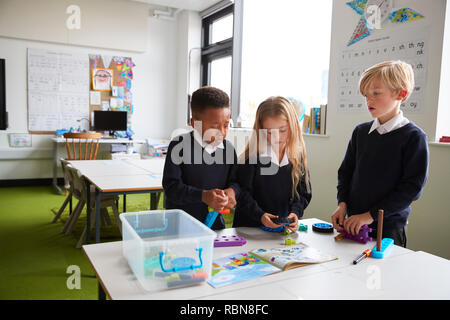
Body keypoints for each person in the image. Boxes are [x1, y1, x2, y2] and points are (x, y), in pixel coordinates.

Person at [331, 60, 429, 247]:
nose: (369, 100)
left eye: (376, 93)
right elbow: (345, 172)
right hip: (354, 224)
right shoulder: (360, 132)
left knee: (383, 276)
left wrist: (369, 216)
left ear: (401, 94)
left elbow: (411, 189)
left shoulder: (414, 137)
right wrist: (342, 204)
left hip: (389, 229)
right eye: (366, 95)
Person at [162, 86, 239, 230]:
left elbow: (236, 182)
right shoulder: (179, 146)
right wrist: (203, 196)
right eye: (215, 127)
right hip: (179, 226)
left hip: (215, 227)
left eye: (226, 126)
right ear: (194, 123)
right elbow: (171, 188)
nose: (222, 133)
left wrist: (232, 192)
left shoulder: (228, 150)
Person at [233, 96, 311, 232]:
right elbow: (242, 194)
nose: (277, 137)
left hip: (281, 232)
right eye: (269, 132)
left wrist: (295, 213)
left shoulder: (296, 156)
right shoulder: (251, 158)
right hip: (250, 230)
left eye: (282, 130)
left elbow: (304, 193)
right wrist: (260, 215)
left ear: (292, 127)